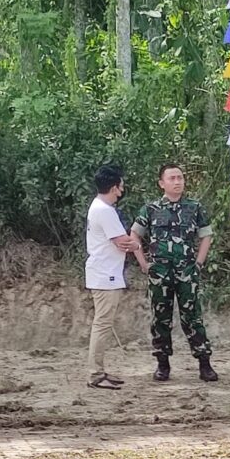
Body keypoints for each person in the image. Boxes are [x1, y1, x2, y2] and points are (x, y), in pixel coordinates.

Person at [130, 164, 218, 382]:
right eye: (172, 178)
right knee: (161, 318)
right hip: (159, 273)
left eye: (180, 177)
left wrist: (198, 263)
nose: (177, 181)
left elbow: (206, 235)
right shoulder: (150, 208)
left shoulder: (194, 207)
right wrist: (143, 263)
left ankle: (204, 364)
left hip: (187, 271)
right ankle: (162, 364)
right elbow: (134, 234)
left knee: (193, 317)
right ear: (162, 183)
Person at [85, 165, 142, 390]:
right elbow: (123, 242)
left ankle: (98, 370)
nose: (123, 189)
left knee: (103, 324)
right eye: (121, 185)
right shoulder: (105, 211)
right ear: (114, 187)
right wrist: (137, 244)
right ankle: (95, 374)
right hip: (105, 274)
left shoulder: (99, 207)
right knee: (102, 324)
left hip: (105, 273)